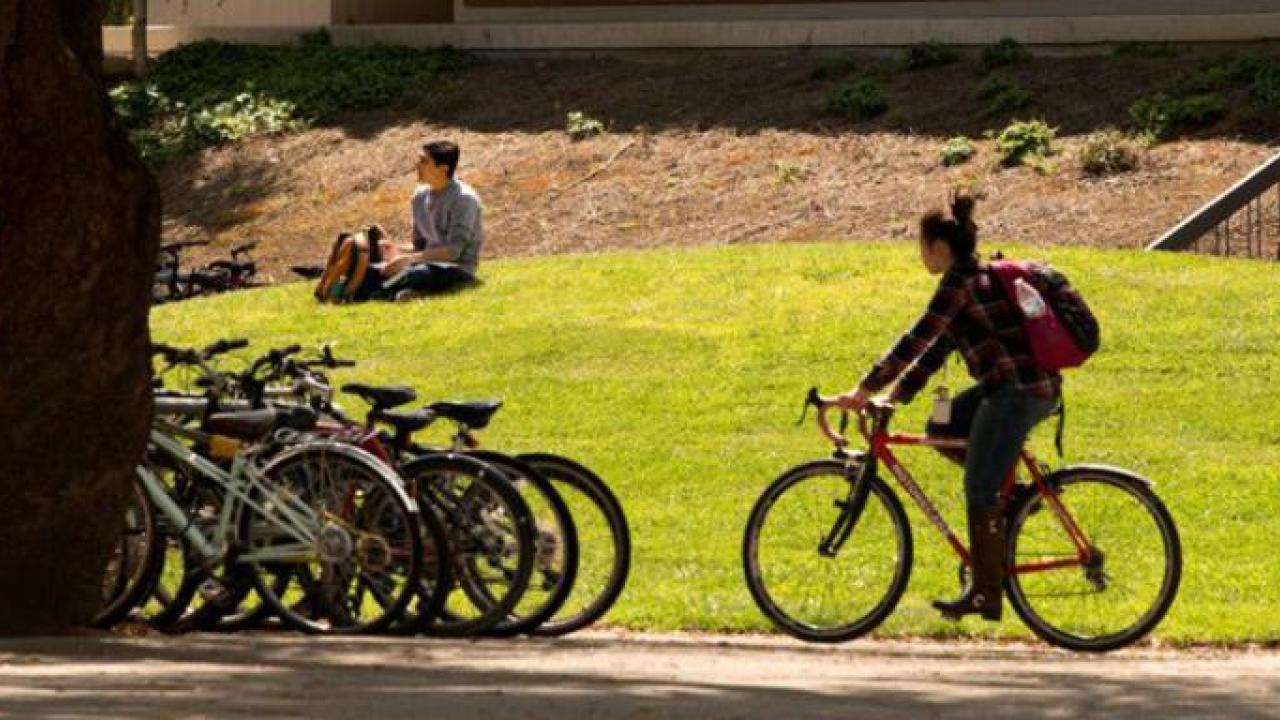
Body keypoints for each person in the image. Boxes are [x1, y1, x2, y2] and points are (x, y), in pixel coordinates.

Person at [826, 194, 1060, 622]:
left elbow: (917, 337)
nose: (920, 255)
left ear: (937, 247)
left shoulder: (959, 283)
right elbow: (936, 351)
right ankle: (1015, 496)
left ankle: (986, 593)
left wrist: (864, 388)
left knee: (979, 487)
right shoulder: (972, 279)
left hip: (1019, 392)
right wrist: (894, 396)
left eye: (921, 246)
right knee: (942, 427)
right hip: (1011, 388)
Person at [329, 140, 483, 302]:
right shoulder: (420, 196)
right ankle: (345, 291)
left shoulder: (463, 199)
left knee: (413, 274)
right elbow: (419, 246)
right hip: (421, 263)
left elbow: (453, 252)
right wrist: (394, 248)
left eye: (424, 161)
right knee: (369, 270)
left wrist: (407, 260)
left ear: (443, 169)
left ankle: (386, 293)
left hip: (456, 269)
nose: (417, 165)